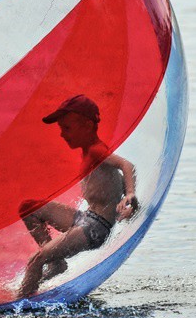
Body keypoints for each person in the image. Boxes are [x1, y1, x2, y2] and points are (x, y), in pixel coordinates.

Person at [18, 94, 138, 298]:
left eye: (67, 128)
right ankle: (56, 262)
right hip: (85, 218)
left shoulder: (96, 150)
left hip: (94, 229)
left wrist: (130, 195)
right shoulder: (87, 152)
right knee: (28, 207)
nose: (62, 134)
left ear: (87, 125)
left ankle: (20, 302)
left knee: (37, 260)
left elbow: (126, 165)